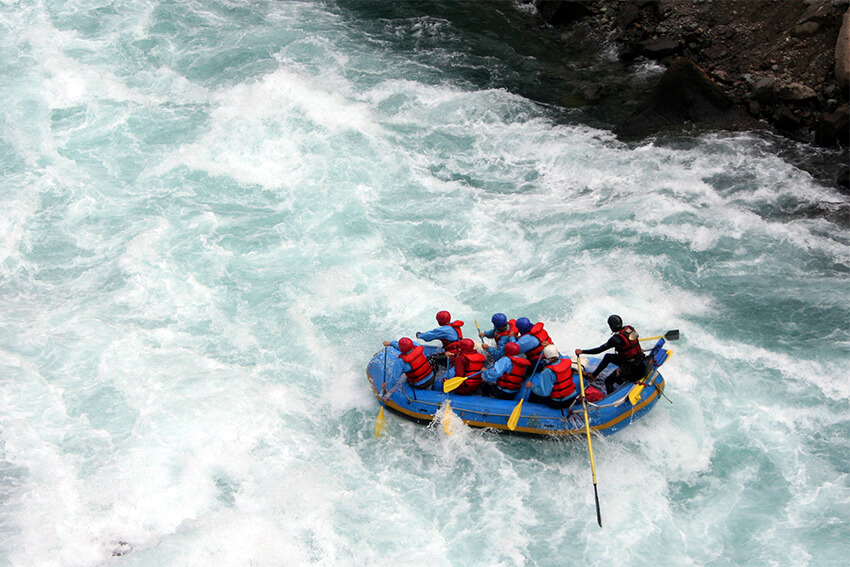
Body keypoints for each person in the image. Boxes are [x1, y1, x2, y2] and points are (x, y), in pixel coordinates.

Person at [575, 314, 645, 394]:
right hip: (639, 360)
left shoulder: (616, 339)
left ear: (612, 326)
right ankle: (593, 375)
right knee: (608, 357)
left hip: (631, 368)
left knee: (608, 381)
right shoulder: (630, 329)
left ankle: (610, 397)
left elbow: (599, 350)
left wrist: (582, 351)